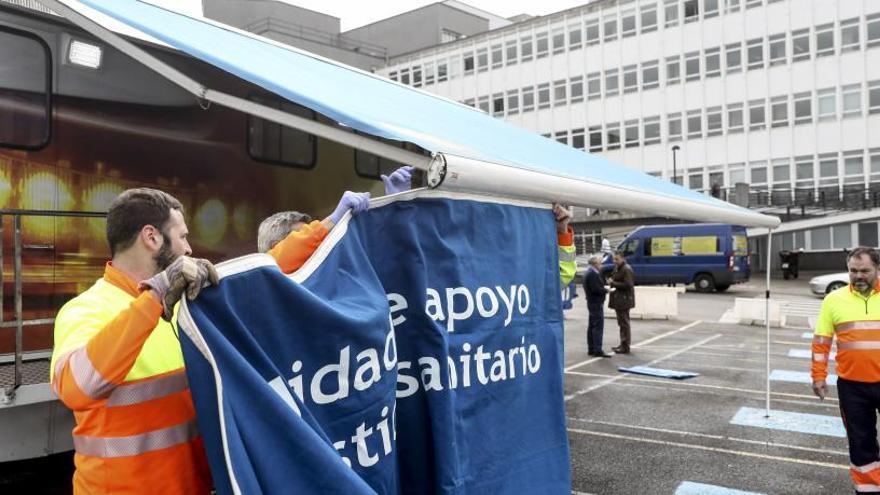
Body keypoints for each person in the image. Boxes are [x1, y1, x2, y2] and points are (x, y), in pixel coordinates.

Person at [50, 188, 219, 494]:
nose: (190, 248)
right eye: (182, 237)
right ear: (151, 237)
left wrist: (324, 229)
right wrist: (154, 297)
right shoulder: (86, 309)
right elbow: (78, 386)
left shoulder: (179, 303)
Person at [812, 246, 880, 493]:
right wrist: (818, 376)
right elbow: (821, 342)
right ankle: (868, 490)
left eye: (865, 270)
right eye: (853, 271)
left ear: (877, 269)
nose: (858, 276)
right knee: (861, 443)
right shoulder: (834, 299)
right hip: (852, 386)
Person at [257, 166, 414, 273]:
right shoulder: (267, 272)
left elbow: (380, 258)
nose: (315, 245)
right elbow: (275, 261)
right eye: (301, 234)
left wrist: (397, 205)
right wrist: (333, 219)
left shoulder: (328, 272)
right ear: (276, 246)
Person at [583, 255, 611, 357]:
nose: (601, 265)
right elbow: (596, 289)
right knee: (598, 327)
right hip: (595, 302)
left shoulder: (589, 273)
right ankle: (597, 349)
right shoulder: (592, 274)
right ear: (595, 264)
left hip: (592, 302)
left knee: (592, 326)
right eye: (600, 263)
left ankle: (592, 348)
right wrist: (606, 290)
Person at [608, 251, 635, 354]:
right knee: (621, 323)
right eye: (614, 259)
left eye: (617, 259)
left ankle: (625, 346)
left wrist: (613, 283)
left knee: (624, 323)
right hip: (619, 299)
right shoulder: (619, 268)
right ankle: (623, 343)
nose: (615, 261)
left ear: (622, 259)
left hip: (624, 300)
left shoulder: (626, 269)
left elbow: (628, 285)